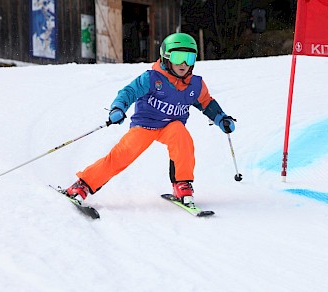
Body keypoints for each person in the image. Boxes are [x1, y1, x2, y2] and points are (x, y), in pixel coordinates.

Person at [66, 33, 236, 206]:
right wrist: (118, 108)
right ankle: (83, 184)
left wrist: (221, 118)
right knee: (122, 155)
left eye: (189, 57)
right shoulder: (152, 78)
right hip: (145, 125)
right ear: (166, 57)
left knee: (181, 136)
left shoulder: (196, 85)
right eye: (178, 57)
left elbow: (206, 103)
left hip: (171, 126)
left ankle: (182, 184)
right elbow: (129, 92)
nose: (184, 64)